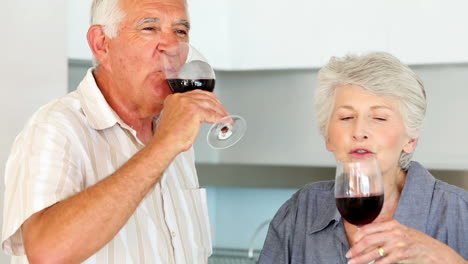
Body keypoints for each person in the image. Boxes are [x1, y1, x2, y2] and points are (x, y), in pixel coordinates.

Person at [2, 0, 227, 263]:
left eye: (180, 32)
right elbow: (47, 253)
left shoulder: (172, 132)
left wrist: (166, 142)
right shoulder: (56, 128)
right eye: (149, 28)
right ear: (102, 44)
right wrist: (163, 146)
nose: (171, 47)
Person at [258, 52, 468, 264]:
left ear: (410, 140)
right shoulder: (300, 210)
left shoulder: (460, 212)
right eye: (346, 117)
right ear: (328, 137)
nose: (359, 131)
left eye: (379, 117)